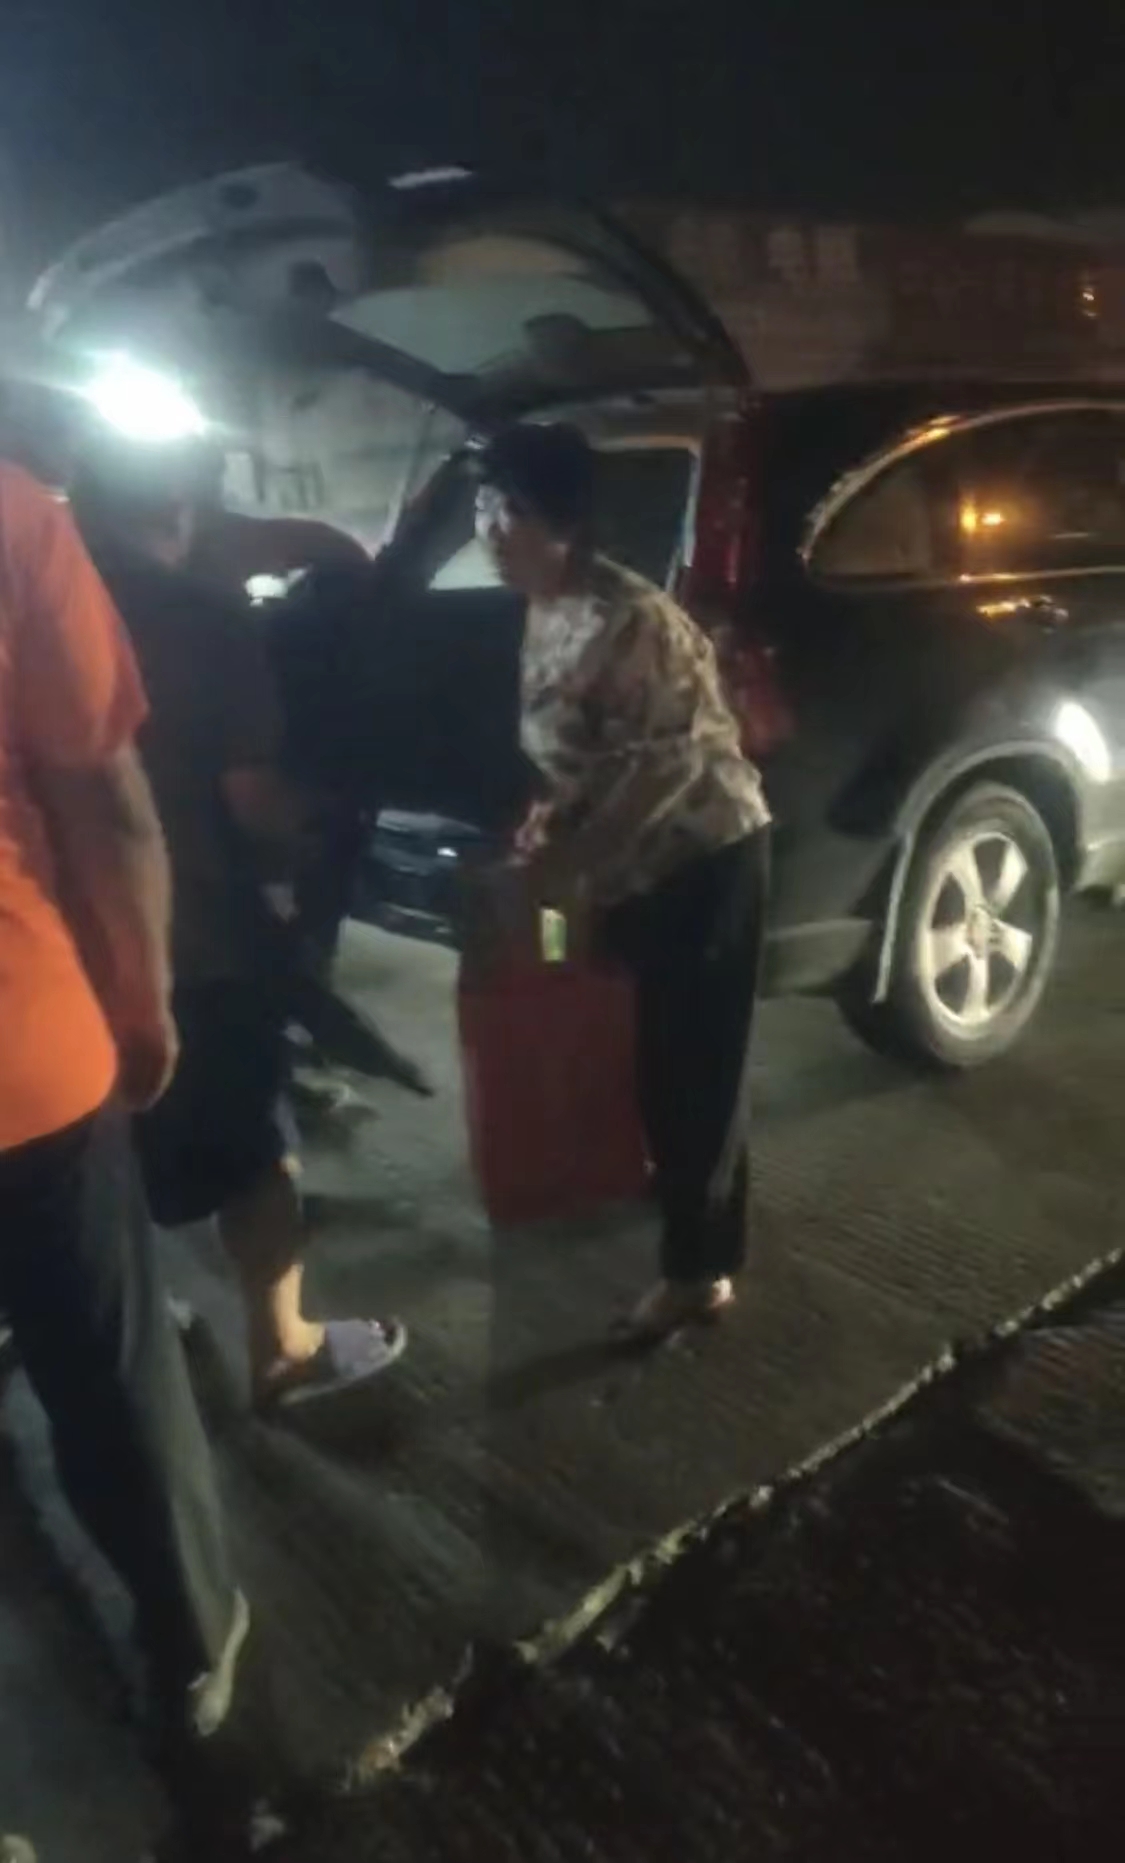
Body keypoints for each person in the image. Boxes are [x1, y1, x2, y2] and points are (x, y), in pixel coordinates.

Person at [0, 459, 251, 1808]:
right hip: (24, 1060)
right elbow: (104, 794)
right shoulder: (14, 518)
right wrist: (144, 1001)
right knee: (109, 1371)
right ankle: (193, 1635)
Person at [72, 450, 405, 1407]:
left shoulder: (35, 605)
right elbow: (252, 799)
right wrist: (325, 817)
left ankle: (115, 1312)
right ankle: (282, 1351)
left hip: (49, 953)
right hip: (190, 942)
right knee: (255, 1146)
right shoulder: (203, 623)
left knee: (88, 1151)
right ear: (183, 510)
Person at [475, 424, 772, 1343]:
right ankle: (654, 1180)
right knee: (624, 1046)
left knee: (694, 1073)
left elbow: (662, 770)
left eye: (511, 511)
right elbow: (574, 751)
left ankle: (699, 1270)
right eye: (484, 508)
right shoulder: (542, 606)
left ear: (563, 522)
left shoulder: (631, 620)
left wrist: (566, 868)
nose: (489, 530)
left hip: (700, 861)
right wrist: (545, 824)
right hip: (614, 869)